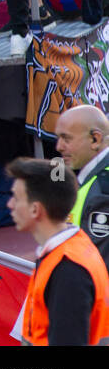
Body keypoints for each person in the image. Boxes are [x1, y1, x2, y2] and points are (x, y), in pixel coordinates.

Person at [6, 157, 109, 346]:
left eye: (16, 198)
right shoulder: (72, 250)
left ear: (36, 209)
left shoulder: (68, 269)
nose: (9, 204)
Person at [55, 105, 109, 267]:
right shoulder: (96, 179)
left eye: (67, 138)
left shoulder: (103, 187)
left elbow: (96, 262)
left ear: (95, 139)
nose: (59, 146)